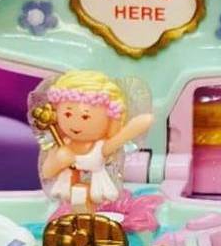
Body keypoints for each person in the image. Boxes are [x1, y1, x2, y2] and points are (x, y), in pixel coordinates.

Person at [37, 70, 152, 212]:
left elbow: (121, 138)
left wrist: (133, 128)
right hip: (66, 191)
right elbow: (47, 172)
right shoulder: (62, 144)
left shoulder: (100, 147)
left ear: (110, 119)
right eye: (67, 114)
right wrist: (58, 161)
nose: (75, 124)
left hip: (96, 191)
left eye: (85, 117)